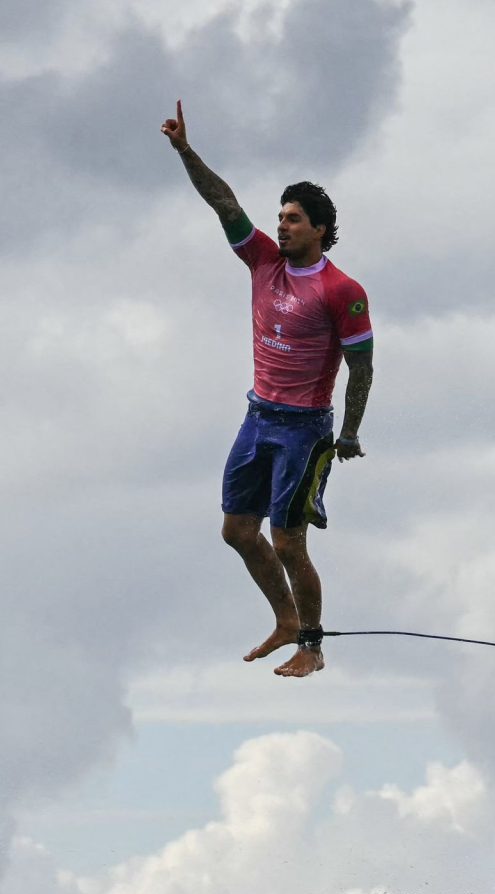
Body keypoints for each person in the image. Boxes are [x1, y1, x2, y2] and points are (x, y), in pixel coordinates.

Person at [160, 100, 374, 678]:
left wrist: (349, 433)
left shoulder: (341, 290)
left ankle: (312, 644)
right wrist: (184, 151)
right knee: (236, 531)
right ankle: (284, 619)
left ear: (320, 230)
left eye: (293, 219)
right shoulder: (262, 261)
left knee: (287, 542)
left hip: (305, 430)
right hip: (258, 417)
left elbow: (362, 366)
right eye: (280, 217)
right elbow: (223, 201)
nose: (281, 225)